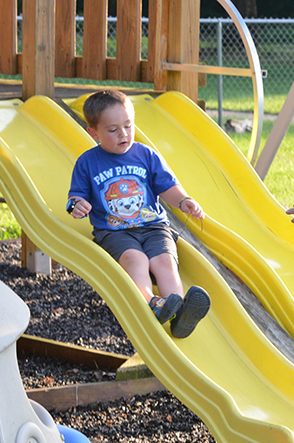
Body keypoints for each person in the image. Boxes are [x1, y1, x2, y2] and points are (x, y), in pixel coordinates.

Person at [66, 89, 210, 338]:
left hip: (154, 227)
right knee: (137, 260)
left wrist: (184, 200)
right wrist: (76, 205)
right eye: (113, 130)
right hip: (114, 232)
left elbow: (167, 187)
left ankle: (180, 310)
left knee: (164, 262)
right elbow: (75, 197)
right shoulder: (87, 162)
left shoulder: (146, 154)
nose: (123, 134)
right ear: (94, 132)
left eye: (128, 126)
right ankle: (154, 302)